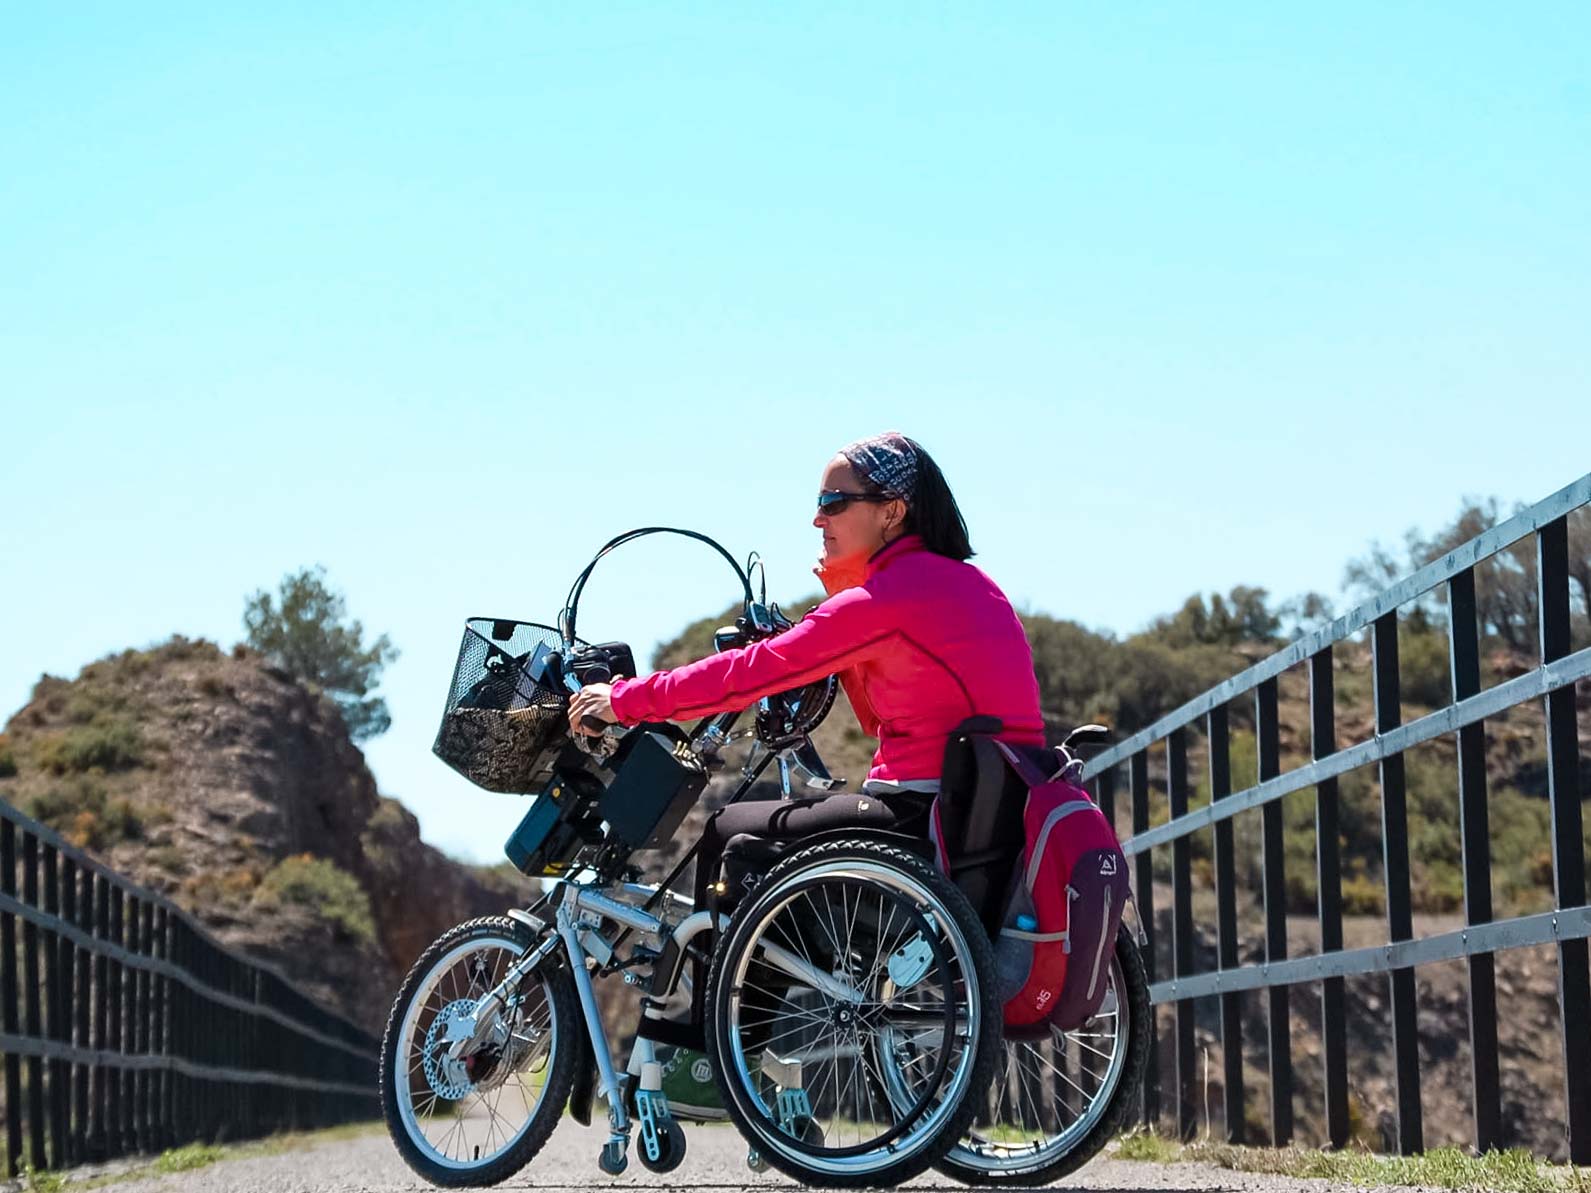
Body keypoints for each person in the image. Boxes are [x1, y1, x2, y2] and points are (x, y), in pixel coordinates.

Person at [568, 430, 1045, 900]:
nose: (818, 518)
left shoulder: (887, 598)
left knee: (726, 832)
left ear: (893, 511)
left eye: (834, 502)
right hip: (987, 816)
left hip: (922, 810)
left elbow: (748, 673)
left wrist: (622, 700)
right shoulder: (970, 584)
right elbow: (877, 713)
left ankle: (719, 980)